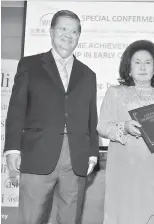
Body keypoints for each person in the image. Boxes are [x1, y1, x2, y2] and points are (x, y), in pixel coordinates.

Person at [4, 10, 99, 224]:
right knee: (31, 219)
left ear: (78, 37)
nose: (68, 34)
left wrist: (92, 153)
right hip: (38, 153)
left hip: (76, 157)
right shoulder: (30, 65)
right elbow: (16, 109)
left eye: (74, 31)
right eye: (63, 29)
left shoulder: (88, 74)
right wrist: (12, 148)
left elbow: (92, 117)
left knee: (69, 219)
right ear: (51, 32)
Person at [97, 40, 154, 224]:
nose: (142, 67)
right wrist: (124, 127)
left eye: (148, 62)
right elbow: (102, 125)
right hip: (126, 167)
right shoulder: (116, 92)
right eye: (137, 62)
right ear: (128, 68)